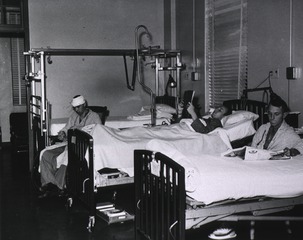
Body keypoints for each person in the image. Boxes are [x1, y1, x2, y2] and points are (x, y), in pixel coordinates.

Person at [38, 95, 102, 198]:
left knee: (66, 158)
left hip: (82, 146)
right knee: (46, 154)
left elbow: (99, 133)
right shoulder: (74, 116)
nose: (77, 110)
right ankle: (48, 183)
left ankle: (57, 186)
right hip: (69, 143)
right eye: (75, 108)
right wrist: (62, 133)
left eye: (79, 107)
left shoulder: (94, 117)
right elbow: (66, 128)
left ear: (84, 104)